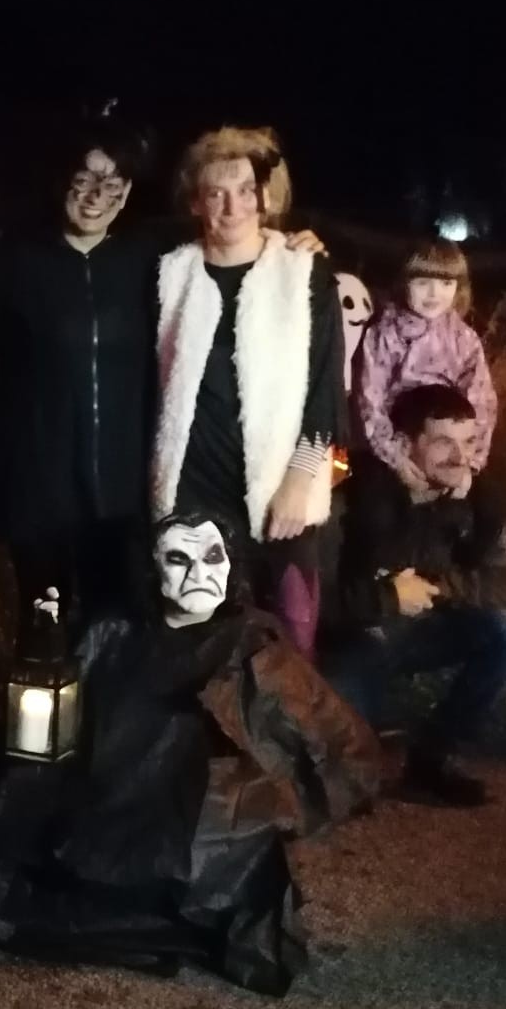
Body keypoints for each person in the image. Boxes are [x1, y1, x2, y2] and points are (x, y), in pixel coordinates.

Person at [0, 511, 380, 995]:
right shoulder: (114, 631)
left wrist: (289, 803)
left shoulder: (254, 642)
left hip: (204, 818)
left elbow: (333, 738)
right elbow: (51, 721)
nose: (199, 573)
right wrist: (48, 644)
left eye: (213, 557)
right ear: (152, 569)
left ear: (231, 565)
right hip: (105, 806)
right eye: (179, 559)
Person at [151, 127, 345, 658]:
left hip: (281, 488)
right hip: (195, 490)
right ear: (196, 201)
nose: (231, 206)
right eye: (215, 192)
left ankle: (281, 717)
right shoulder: (171, 273)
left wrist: (300, 481)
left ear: (265, 196)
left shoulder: (305, 273)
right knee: (197, 636)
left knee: (288, 638)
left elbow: (327, 387)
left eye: (244, 190)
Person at [0, 121, 158, 631]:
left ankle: (106, 686)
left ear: (127, 193)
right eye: (84, 180)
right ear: (63, 182)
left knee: (115, 620)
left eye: (112, 184)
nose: (96, 196)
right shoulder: (11, 262)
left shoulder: (146, 261)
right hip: (39, 484)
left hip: (121, 487)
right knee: (44, 618)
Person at [327, 383, 506, 807]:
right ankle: (347, 763)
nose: (460, 457)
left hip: (421, 629)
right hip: (355, 631)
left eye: (468, 442)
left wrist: (437, 588)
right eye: (442, 443)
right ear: (405, 444)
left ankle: (433, 760)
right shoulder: (357, 493)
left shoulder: (472, 499)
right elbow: (316, 596)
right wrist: (387, 597)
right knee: (351, 782)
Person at [354, 240, 498, 487]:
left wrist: (471, 463)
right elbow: (369, 399)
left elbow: (481, 400)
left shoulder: (463, 339)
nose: (434, 293)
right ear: (404, 283)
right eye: (422, 282)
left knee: (485, 503)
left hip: (450, 446)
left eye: (446, 283)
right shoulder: (384, 334)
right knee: (377, 504)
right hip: (396, 446)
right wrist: (395, 457)